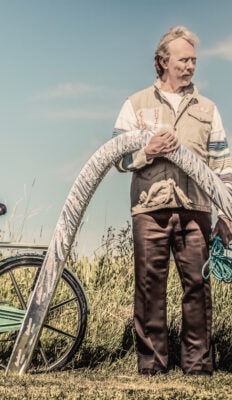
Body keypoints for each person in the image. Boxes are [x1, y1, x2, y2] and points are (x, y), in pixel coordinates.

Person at [113, 26, 232, 376]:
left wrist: (226, 213)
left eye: (194, 60)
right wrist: (147, 151)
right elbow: (118, 158)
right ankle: (152, 366)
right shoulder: (135, 104)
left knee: (198, 288)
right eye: (184, 59)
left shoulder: (208, 109)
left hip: (196, 210)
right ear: (163, 62)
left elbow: (223, 166)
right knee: (150, 289)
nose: (191, 66)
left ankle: (198, 366)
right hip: (150, 209)